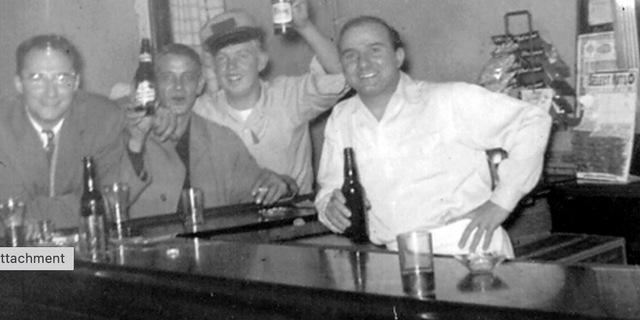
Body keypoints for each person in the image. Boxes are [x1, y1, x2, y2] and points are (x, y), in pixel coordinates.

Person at [315, 16, 552, 257]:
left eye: (374, 50)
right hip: (397, 257)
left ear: (398, 57)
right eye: (350, 55)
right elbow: (329, 188)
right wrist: (330, 208)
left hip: (468, 249)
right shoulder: (342, 117)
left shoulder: (446, 99)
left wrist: (501, 202)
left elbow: (533, 122)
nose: (363, 64)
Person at [124, 43, 297, 218]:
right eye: (168, 77)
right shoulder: (133, 133)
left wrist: (280, 186)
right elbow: (113, 201)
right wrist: (138, 136)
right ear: (153, 85)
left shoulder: (222, 141)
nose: (178, 87)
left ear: (199, 85)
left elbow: (258, 194)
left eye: (188, 77)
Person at [193, 0, 348, 195]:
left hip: (293, 218)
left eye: (242, 55)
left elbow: (342, 74)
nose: (231, 66)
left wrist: (305, 26)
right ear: (214, 68)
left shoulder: (288, 96)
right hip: (233, 220)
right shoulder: (202, 110)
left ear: (261, 61)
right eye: (222, 58)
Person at [0, 34, 151, 229]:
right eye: (37, 78)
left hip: (83, 248)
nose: (51, 92)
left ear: (77, 82)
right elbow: (8, 215)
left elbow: (111, 201)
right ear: (19, 84)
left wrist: (136, 143)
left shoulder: (103, 118)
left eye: (62, 78)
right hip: (15, 257)